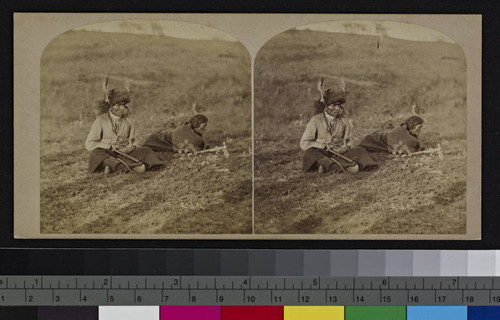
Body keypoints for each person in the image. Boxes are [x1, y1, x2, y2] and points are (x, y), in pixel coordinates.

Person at [85, 80, 164, 174]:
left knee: (145, 151)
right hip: (108, 152)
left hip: (125, 151)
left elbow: (134, 139)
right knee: (96, 154)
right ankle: (129, 166)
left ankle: (112, 167)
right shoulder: (101, 121)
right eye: (118, 105)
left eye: (124, 105)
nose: (122, 108)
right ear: (111, 106)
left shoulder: (129, 120)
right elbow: (89, 143)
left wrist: (131, 147)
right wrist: (109, 146)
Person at [300, 81, 377, 174]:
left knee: (360, 150)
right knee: (310, 153)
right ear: (325, 106)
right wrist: (323, 146)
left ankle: (326, 166)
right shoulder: (315, 120)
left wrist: (347, 147)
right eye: (333, 105)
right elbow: (304, 143)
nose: (337, 109)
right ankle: (335, 166)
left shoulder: (344, 120)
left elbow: (350, 138)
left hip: (340, 152)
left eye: (338, 106)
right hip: (323, 152)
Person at [355, 115, 424, 154]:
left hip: (378, 137)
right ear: (412, 125)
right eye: (419, 127)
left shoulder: (408, 130)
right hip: (372, 139)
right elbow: (411, 149)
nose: (420, 130)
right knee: (361, 143)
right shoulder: (401, 131)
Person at [140, 114, 208, 153]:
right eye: (204, 126)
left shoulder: (191, 128)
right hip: (155, 139)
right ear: (196, 124)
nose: (205, 128)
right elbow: (196, 150)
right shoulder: (187, 131)